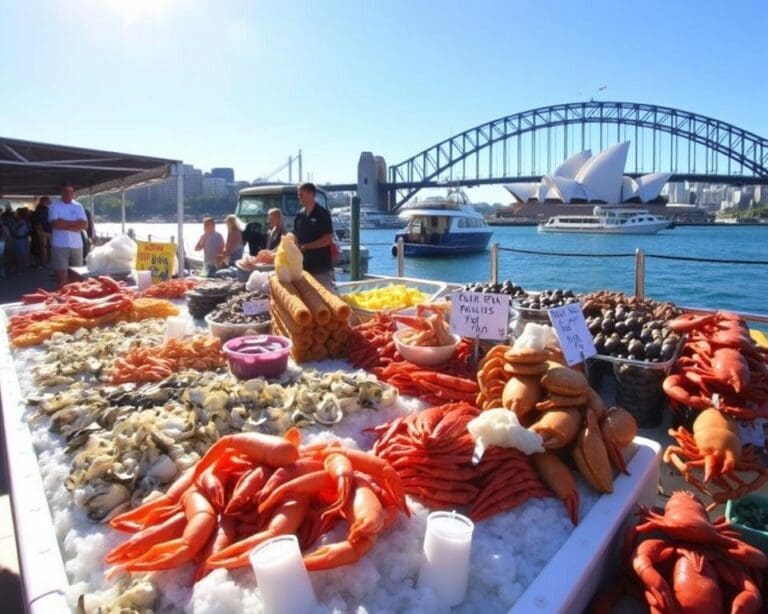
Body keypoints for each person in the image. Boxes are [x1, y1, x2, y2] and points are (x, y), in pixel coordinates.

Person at [294, 182, 334, 287]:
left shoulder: (323, 214)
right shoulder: (299, 216)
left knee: (326, 298)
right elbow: (296, 239)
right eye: (298, 194)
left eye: (301, 194)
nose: (298, 196)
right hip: (303, 268)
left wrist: (307, 246)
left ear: (311, 194)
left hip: (321, 269)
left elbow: (327, 239)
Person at [50, 183, 89, 288]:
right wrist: (75, 224)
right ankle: (61, 300)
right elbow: (56, 224)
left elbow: (85, 225)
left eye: (71, 192)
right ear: (61, 193)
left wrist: (64, 223)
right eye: (66, 192)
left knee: (76, 277)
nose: (69, 194)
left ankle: (73, 300)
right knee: (61, 278)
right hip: (60, 245)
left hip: (77, 245)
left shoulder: (78, 206)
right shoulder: (54, 205)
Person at [31, 196, 52, 268]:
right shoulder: (44, 210)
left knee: (41, 248)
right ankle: (44, 263)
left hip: (41, 231)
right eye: (48, 201)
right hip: (44, 231)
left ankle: (42, 262)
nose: (50, 202)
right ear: (45, 202)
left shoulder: (38, 210)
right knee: (44, 248)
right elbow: (40, 222)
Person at [12, 208, 31, 274]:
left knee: (17, 254)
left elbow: (12, 230)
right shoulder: (26, 222)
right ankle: (23, 267)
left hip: (17, 239)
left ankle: (19, 268)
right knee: (23, 254)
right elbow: (28, 231)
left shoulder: (15, 221)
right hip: (23, 239)